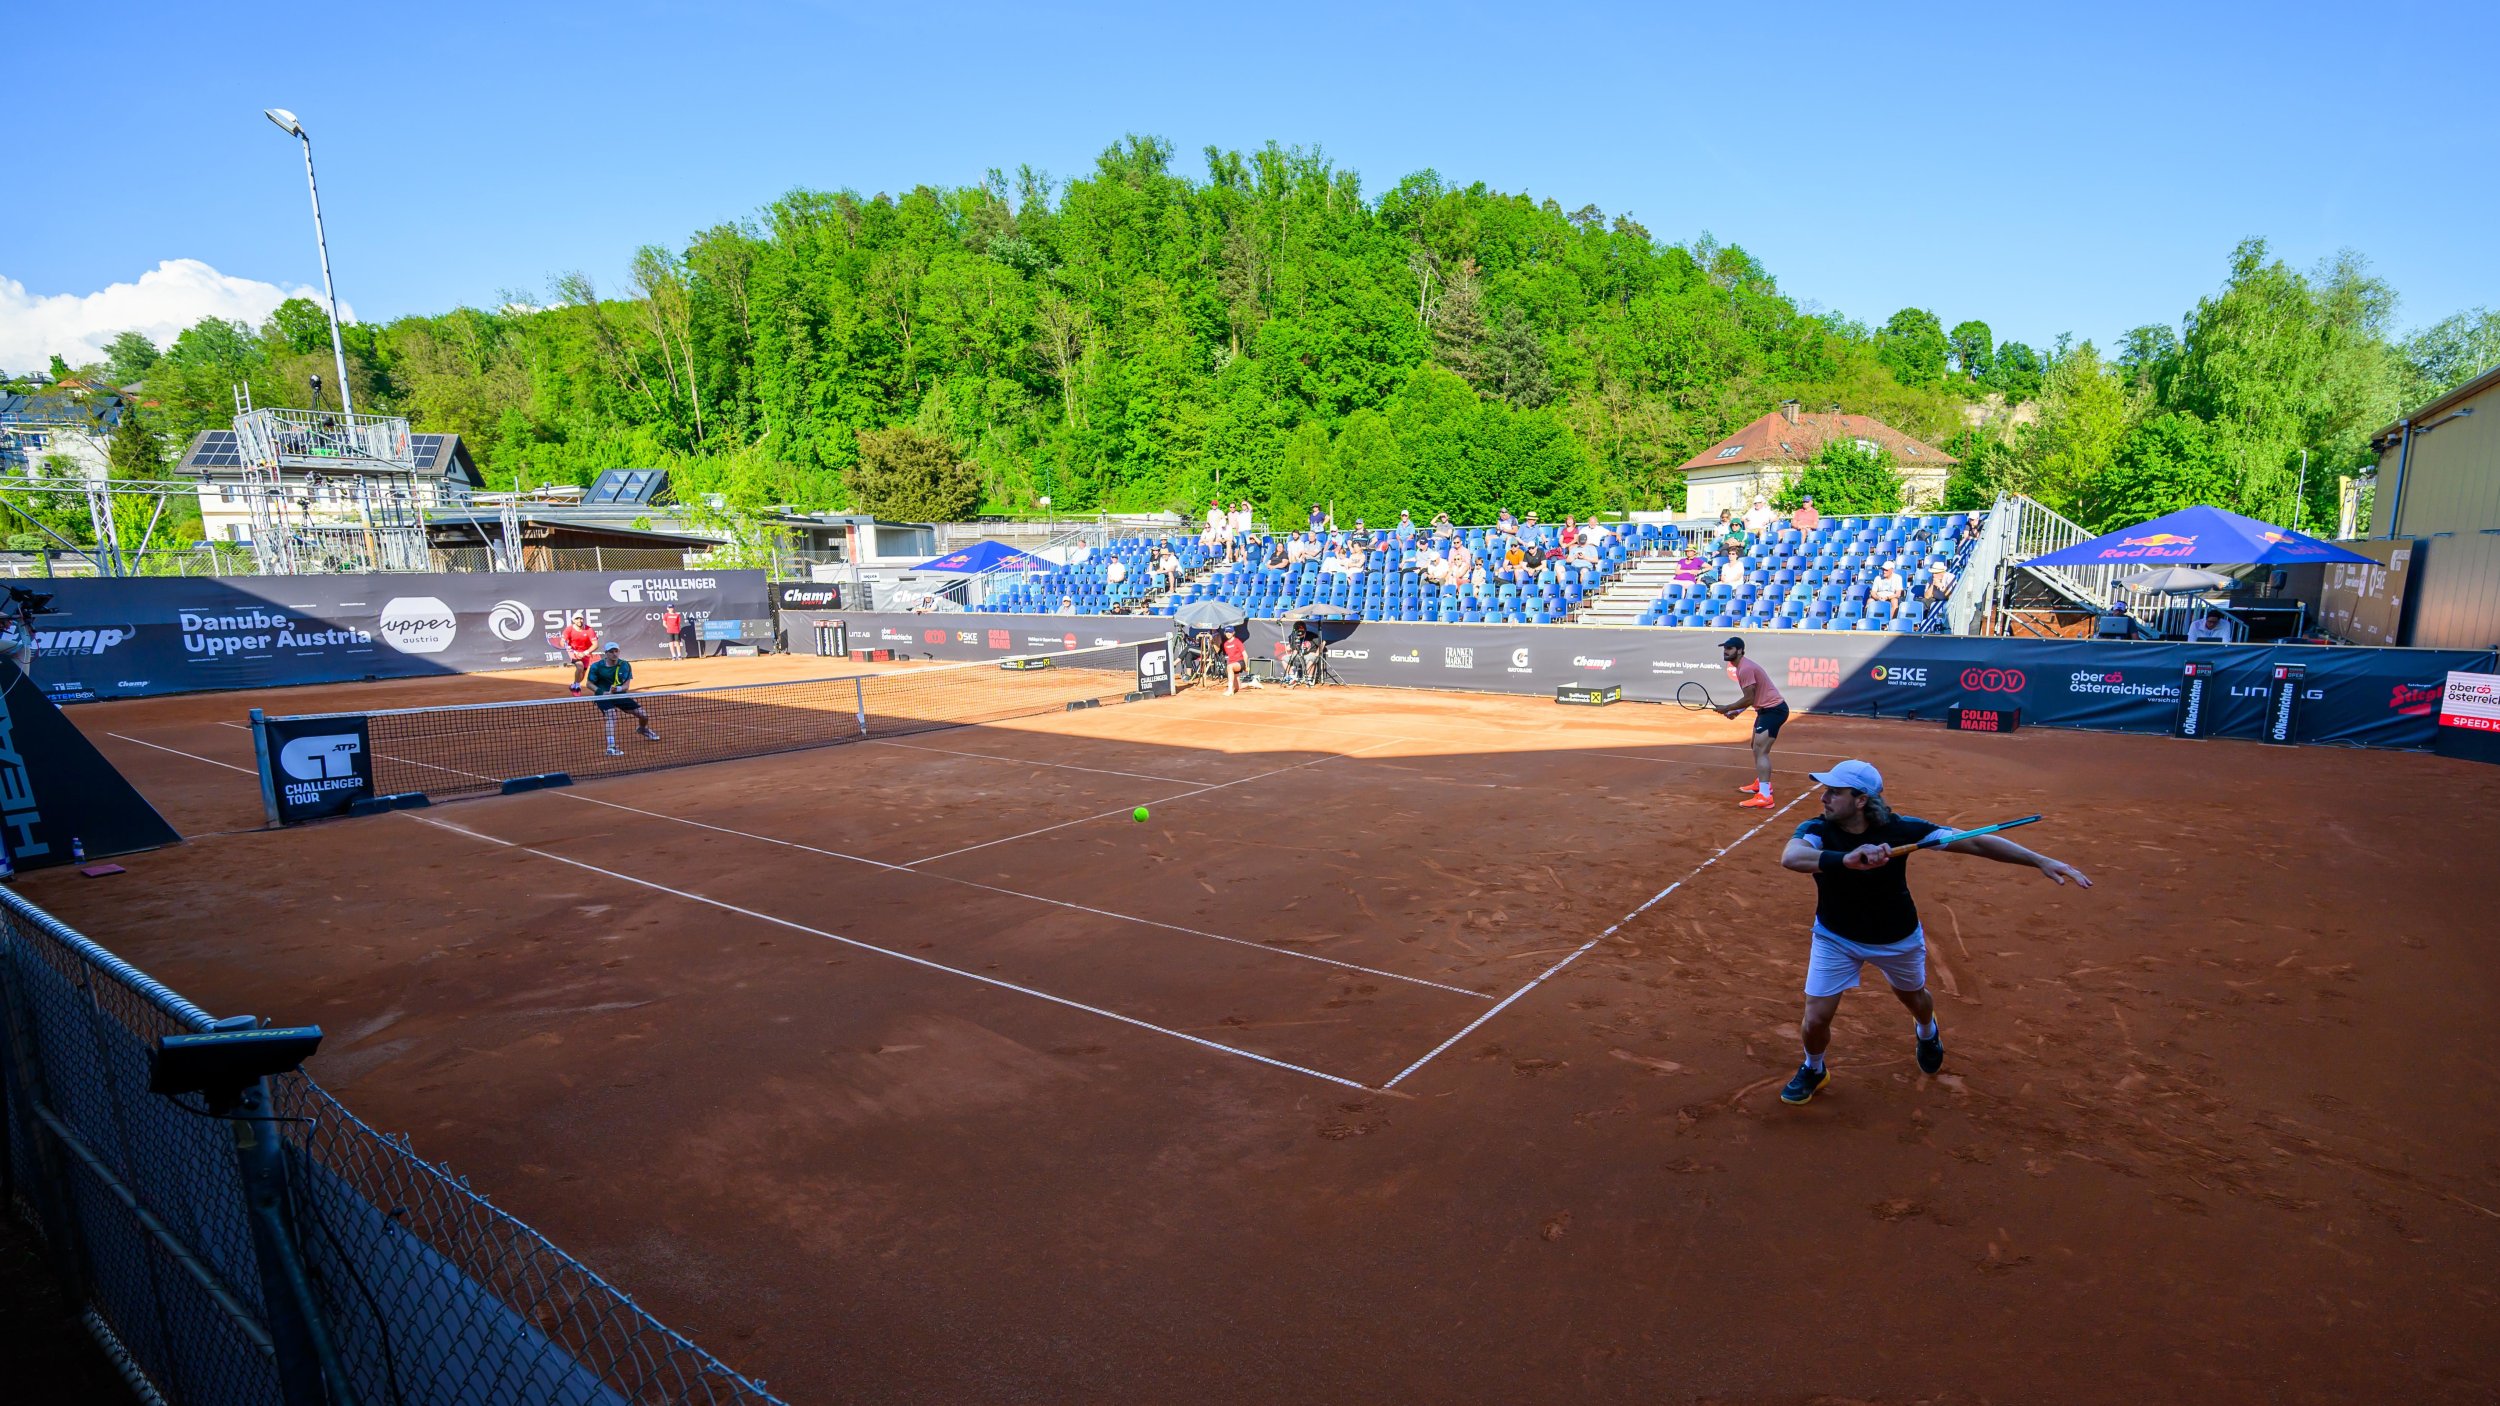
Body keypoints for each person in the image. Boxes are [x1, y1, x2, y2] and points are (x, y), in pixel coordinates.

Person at [1774, 759, 2092, 1105]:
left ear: (1861, 800)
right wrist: (1846, 859)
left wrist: (2040, 860)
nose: (1824, 798)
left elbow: (1974, 843)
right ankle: (1814, 1068)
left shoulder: (1903, 830)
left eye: (1835, 792)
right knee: (1815, 1018)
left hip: (1897, 939)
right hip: (1835, 938)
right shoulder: (1818, 830)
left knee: (1915, 999)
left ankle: (1927, 1031)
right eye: (1826, 791)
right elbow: (1792, 858)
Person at [1718, 636, 1787, 809]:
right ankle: (1762, 783)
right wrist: (1736, 711)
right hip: (1765, 710)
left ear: (1740, 650)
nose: (1726, 651)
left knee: (1761, 750)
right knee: (1754, 746)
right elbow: (1753, 697)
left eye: (1730, 648)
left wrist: (1728, 707)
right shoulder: (1742, 667)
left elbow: (1749, 698)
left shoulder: (1745, 668)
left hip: (1774, 711)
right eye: (1725, 648)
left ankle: (1765, 796)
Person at [585, 646, 661, 757]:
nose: (614, 654)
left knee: (644, 715)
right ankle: (611, 747)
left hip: (619, 695)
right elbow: (589, 684)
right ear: (606, 653)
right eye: (611, 652)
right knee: (611, 715)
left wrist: (618, 689)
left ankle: (642, 729)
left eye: (616, 651)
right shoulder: (596, 666)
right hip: (602, 696)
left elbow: (626, 686)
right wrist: (602, 692)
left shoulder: (624, 665)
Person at [557, 613, 599, 694]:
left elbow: (595, 645)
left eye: (581, 618)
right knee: (580, 666)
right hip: (573, 651)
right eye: (577, 619)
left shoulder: (589, 630)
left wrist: (584, 653)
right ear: (573, 620)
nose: (579, 620)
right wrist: (566, 646)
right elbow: (562, 642)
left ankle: (573, 685)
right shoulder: (569, 629)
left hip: (585, 652)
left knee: (582, 676)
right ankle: (576, 687)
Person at [1222, 629, 1248, 695]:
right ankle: (1253, 683)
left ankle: (1230, 690)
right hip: (1233, 665)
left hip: (1240, 663)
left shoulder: (1237, 641)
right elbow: (1229, 657)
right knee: (1238, 687)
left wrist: (1246, 666)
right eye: (1226, 632)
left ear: (1233, 633)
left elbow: (1245, 655)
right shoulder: (1225, 644)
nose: (1228, 633)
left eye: (1230, 632)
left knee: (1229, 666)